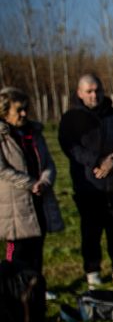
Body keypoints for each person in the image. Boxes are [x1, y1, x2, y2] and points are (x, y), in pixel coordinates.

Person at [57, 73, 113, 286]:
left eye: (98, 90)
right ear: (79, 93)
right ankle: (92, 271)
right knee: (91, 230)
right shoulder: (71, 119)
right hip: (88, 185)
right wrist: (96, 161)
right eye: (89, 91)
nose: (95, 95)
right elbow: (70, 146)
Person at [0, 87, 64, 287]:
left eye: (26, 108)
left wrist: (45, 181)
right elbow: (2, 170)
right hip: (14, 205)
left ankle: (37, 288)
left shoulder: (34, 132)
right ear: (4, 111)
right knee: (18, 252)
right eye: (18, 110)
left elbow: (48, 163)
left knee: (37, 248)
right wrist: (31, 184)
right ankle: (15, 291)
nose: (24, 114)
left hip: (39, 200)